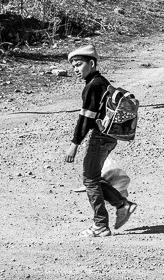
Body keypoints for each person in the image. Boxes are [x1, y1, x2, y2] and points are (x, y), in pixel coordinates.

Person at [64, 43, 137, 237]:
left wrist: (74, 145)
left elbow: (85, 119)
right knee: (93, 177)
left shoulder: (93, 86)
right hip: (110, 137)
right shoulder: (102, 82)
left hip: (100, 137)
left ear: (91, 64)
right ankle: (122, 204)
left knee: (90, 179)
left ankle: (101, 225)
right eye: (73, 66)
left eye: (79, 64)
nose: (76, 69)